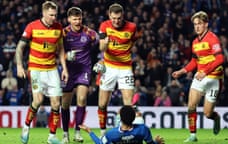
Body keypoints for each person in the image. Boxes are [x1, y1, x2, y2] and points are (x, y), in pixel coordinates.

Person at [15, 1, 68, 144]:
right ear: (44, 13)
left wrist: (64, 68)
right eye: (51, 15)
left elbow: (61, 49)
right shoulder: (32, 27)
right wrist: (20, 66)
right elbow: (20, 48)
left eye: (55, 15)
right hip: (35, 69)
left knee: (56, 104)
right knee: (37, 100)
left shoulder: (58, 27)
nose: (53, 18)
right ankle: (26, 127)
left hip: (52, 69)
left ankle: (51, 137)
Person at [172, 11, 224, 142]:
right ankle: (193, 135)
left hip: (214, 78)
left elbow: (220, 58)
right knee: (191, 106)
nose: (197, 27)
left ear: (206, 24)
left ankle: (215, 117)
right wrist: (182, 71)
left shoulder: (213, 39)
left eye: (199, 24)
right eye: (195, 24)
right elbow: (194, 61)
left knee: (207, 114)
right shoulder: (195, 42)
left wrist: (205, 72)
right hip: (199, 77)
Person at [94, 3, 139, 136]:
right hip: (109, 68)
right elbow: (101, 48)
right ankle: (103, 132)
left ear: (123, 16)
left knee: (128, 104)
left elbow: (133, 41)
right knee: (102, 104)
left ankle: (126, 132)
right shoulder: (104, 26)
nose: (116, 21)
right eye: (113, 18)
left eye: (118, 18)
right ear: (109, 16)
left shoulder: (132, 27)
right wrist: (105, 44)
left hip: (125, 68)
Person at [61, 7, 99, 144]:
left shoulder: (90, 33)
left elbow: (101, 47)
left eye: (79, 18)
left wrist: (101, 60)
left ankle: (77, 132)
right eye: (75, 19)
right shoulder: (63, 33)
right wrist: (65, 56)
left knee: (82, 99)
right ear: (69, 19)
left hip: (84, 70)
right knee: (65, 103)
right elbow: (55, 52)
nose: (77, 21)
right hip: (68, 71)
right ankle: (65, 134)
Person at [80, 105, 165, 144]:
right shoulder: (143, 129)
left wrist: (89, 131)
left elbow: (99, 143)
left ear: (120, 118)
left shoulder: (111, 134)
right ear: (134, 118)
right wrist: (156, 142)